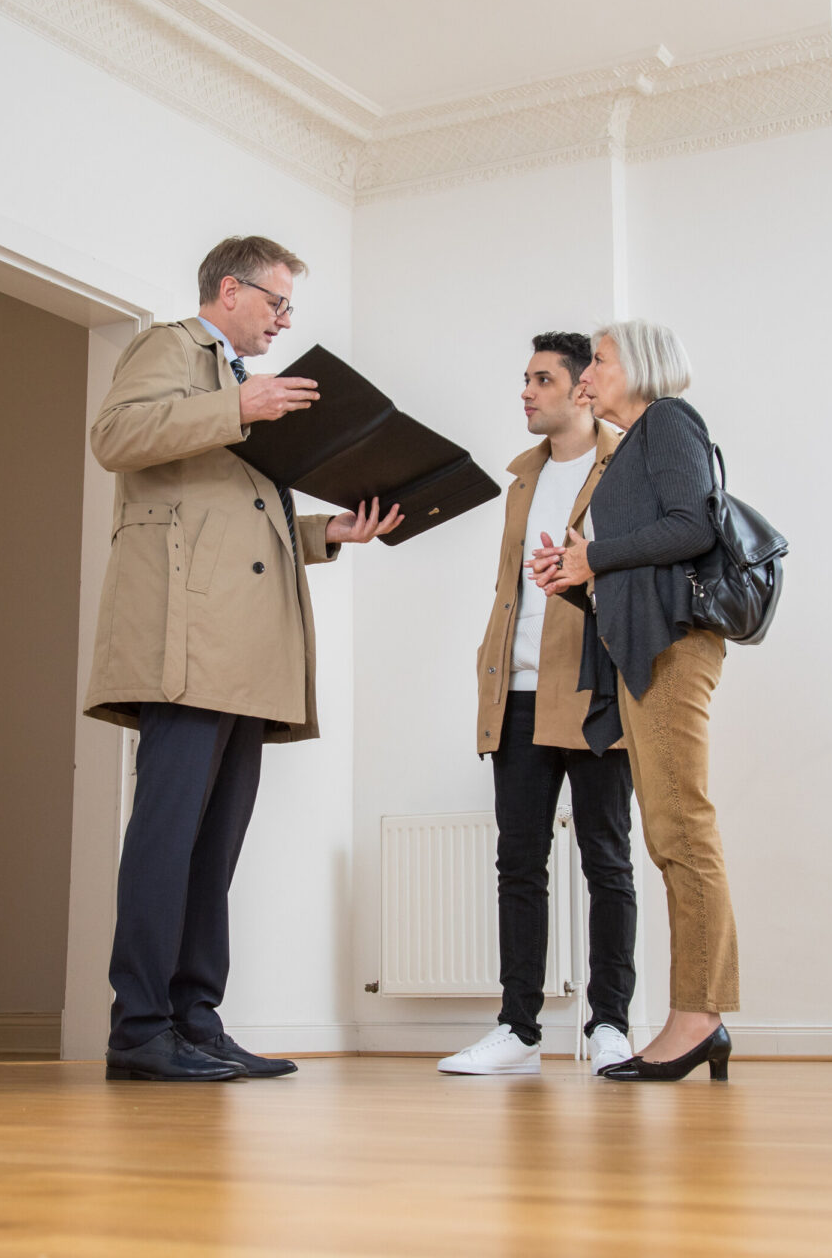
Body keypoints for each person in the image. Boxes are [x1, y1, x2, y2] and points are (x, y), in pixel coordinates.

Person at [84, 236, 401, 1082]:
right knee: (167, 835)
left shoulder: (241, 389)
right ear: (230, 290)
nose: (284, 320)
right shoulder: (173, 349)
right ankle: (140, 1028)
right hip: (188, 638)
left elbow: (233, 522)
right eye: (276, 303)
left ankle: (194, 1018)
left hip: (247, 646)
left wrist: (327, 533)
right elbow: (114, 436)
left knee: (215, 842)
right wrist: (240, 408)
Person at [532, 321, 737, 1083]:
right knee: (668, 834)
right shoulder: (633, 445)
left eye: (602, 361)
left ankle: (699, 1017)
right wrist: (579, 576)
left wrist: (595, 555)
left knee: (683, 828)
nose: (589, 372)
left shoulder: (670, 421)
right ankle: (693, 1017)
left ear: (642, 367)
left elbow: (693, 525)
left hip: (673, 650)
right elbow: (641, 560)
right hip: (644, 648)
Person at [438, 333, 639, 1078]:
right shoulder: (522, 476)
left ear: (583, 387)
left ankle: (610, 1023)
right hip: (515, 693)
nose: (527, 392)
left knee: (606, 860)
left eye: (543, 379)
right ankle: (519, 1029)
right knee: (518, 863)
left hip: (593, 690)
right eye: (524, 379)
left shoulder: (627, 463)